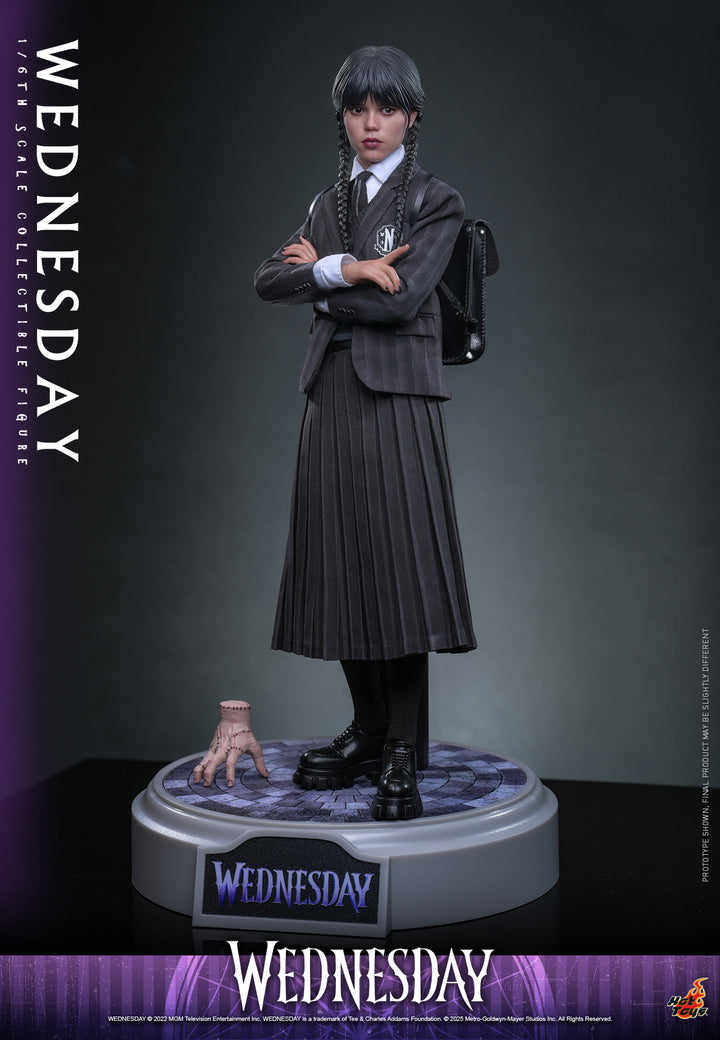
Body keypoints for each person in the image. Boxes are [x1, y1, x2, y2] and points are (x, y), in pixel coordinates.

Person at [254, 45, 476, 821]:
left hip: (399, 399)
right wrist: (344, 271)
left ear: (412, 117)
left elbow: (402, 300)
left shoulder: (436, 201)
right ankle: (370, 731)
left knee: (401, 575)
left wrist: (321, 278)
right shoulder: (329, 203)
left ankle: (403, 749)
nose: (370, 123)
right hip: (331, 394)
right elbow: (268, 279)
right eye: (357, 109)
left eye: (386, 109)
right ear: (343, 118)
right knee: (340, 568)